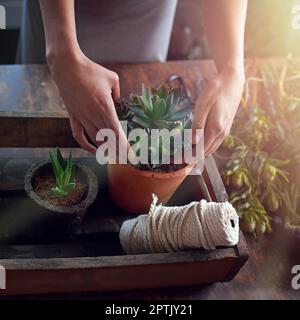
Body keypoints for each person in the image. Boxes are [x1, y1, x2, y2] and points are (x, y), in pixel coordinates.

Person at [18, 0, 247, 156]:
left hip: (147, 14)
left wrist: (232, 67)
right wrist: (62, 52)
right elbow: (60, 57)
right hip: (61, 18)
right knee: (36, 142)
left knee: (134, 109)